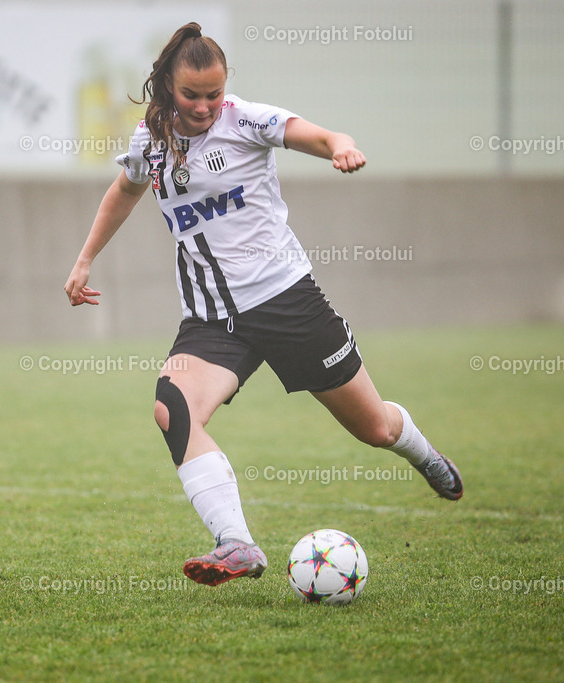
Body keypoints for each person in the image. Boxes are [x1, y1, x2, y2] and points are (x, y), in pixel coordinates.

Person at [64, 23, 462, 587]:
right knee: (170, 406)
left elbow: (318, 135)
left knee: (374, 427)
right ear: (166, 89)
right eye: (191, 95)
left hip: (288, 304)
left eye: (213, 94)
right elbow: (124, 190)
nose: (204, 107)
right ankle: (237, 543)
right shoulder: (148, 140)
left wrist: (341, 146)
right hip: (211, 320)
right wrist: (84, 261)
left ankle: (425, 455)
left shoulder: (244, 119)